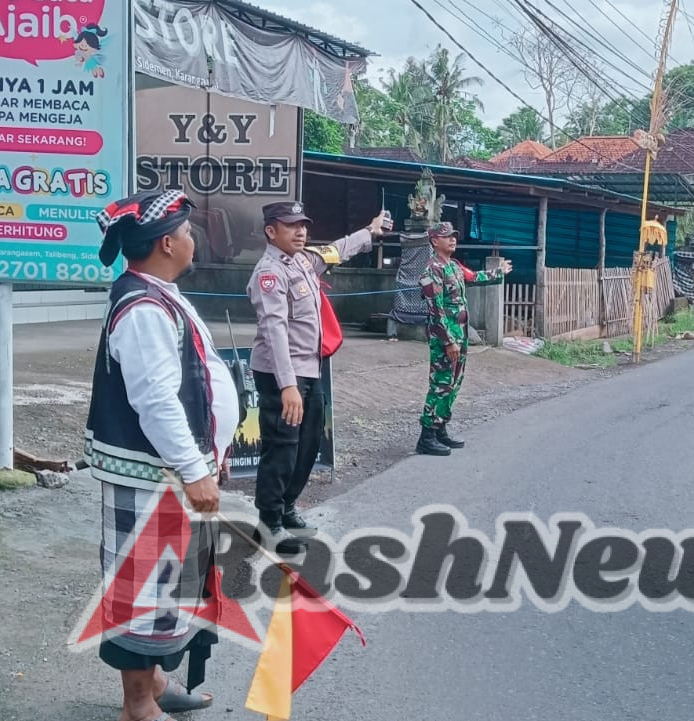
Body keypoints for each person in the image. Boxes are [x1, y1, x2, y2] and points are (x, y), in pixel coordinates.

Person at [83, 189, 240, 721]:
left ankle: (153, 684)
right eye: (189, 233)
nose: (193, 240)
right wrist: (196, 469)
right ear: (168, 242)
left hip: (168, 473)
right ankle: (138, 705)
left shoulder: (158, 294)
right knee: (144, 587)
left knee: (167, 584)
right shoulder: (143, 307)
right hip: (150, 476)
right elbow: (154, 400)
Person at [249, 200, 387, 549]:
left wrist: (369, 231)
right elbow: (274, 331)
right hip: (283, 376)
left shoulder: (303, 261)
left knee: (308, 445)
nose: (301, 231)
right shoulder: (270, 273)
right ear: (271, 231)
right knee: (281, 449)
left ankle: (287, 507)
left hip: (311, 370)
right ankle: (268, 523)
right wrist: (288, 386)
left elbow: (337, 250)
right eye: (292, 226)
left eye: (303, 225)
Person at [415, 221, 512, 456]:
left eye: (454, 236)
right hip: (445, 336)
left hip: (460, 333)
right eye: (447, 236)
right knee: (441, 383)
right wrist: (449, 341)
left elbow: (474, 276)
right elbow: (435, 310)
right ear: (434, 241)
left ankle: (440, 428)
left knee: (454, 382)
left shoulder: (454, 266)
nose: (453, 239)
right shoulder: (432, 270)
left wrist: (499, 272)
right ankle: (426, 435)